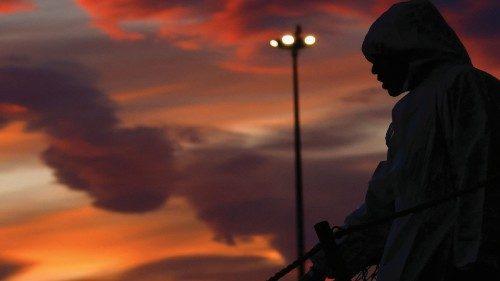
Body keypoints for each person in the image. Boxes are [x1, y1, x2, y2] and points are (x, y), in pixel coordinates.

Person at [309, 1, 500, 280]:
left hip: (452, 266)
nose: (375, 73)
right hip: (407, 267)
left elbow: (481, 175)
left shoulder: (463, 85)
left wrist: (476, 259)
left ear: (408, 48)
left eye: (380, 59)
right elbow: (385, 203)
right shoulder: (405, 113)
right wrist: (327, 262)